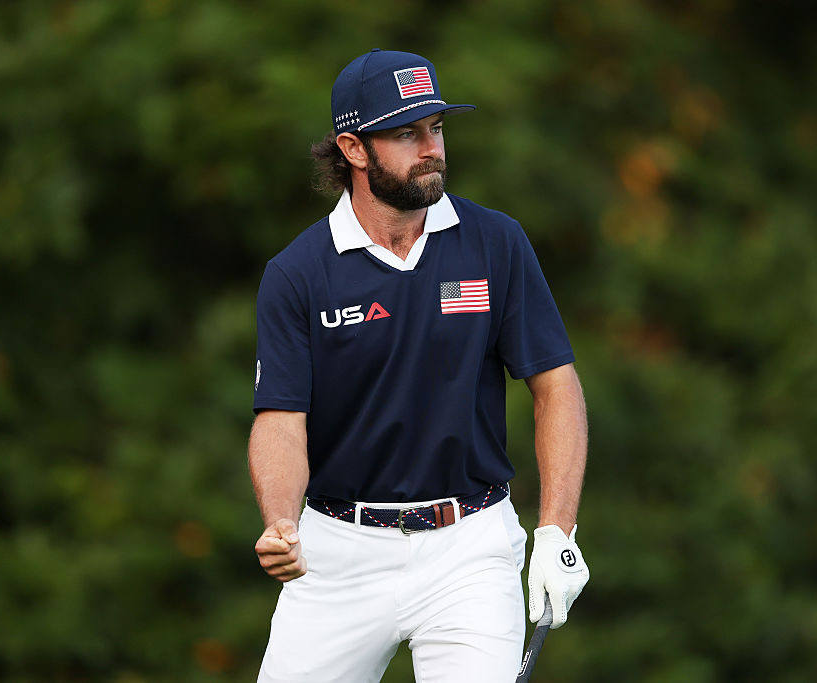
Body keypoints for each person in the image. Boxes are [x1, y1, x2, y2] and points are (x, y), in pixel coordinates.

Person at [249, 48, 589, 683]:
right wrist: (279, 521)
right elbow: (280, 417)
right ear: (353, 149)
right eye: (406, 134)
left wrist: (556, 532)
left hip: (471, 546)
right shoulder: (298, 273)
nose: (430, 147)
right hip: (338, 554)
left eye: (435, 127)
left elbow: (556, 385)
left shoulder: (495, 242)